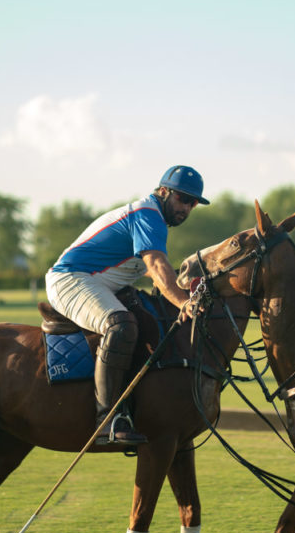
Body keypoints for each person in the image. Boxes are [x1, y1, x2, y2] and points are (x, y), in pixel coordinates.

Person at [45, 165, 209, 446]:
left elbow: (155, 269)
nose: (187, 208)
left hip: (100, 283)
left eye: (193, 203)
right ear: (164, 191)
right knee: (120, 325)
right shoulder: (148, 214)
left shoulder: (153, 219)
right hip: (71, 279)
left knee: (151, 321)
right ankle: (107, 420)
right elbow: (156, 265)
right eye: (183, 199)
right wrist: (184, 302)